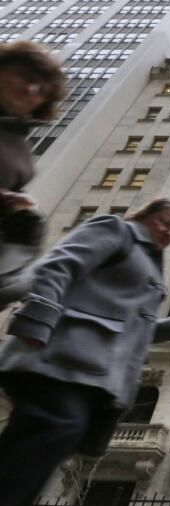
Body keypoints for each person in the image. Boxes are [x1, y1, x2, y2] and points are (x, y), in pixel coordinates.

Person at [0, 199, 170, 506]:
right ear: (146, 215)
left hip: (91, 369)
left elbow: (126, 326)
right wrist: (39, 317)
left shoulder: (153, 268)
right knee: (55, 427)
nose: (168, 232)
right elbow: (60, 265)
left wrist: (166, 328)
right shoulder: (114, 229)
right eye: (165, 222)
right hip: (58, 354)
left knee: (46, 440)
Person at [0, 41, 66, 307]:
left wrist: (19, 213)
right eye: (25, 78)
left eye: (42, 90)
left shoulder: (22, 156)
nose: (31, 90)